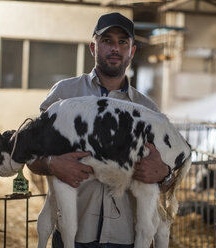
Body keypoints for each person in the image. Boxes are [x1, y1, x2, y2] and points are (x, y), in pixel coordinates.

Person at [27, 12, 175, 248]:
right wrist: (52, 163)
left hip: (126, 238)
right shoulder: (64, 95)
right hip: (72, 236)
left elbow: (168, 180)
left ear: (132, 51)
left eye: (122, 42)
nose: (115, 48)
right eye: (106, 41)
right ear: (93, 48)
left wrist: (164, 174)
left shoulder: (147, 109)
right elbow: (30, 156)